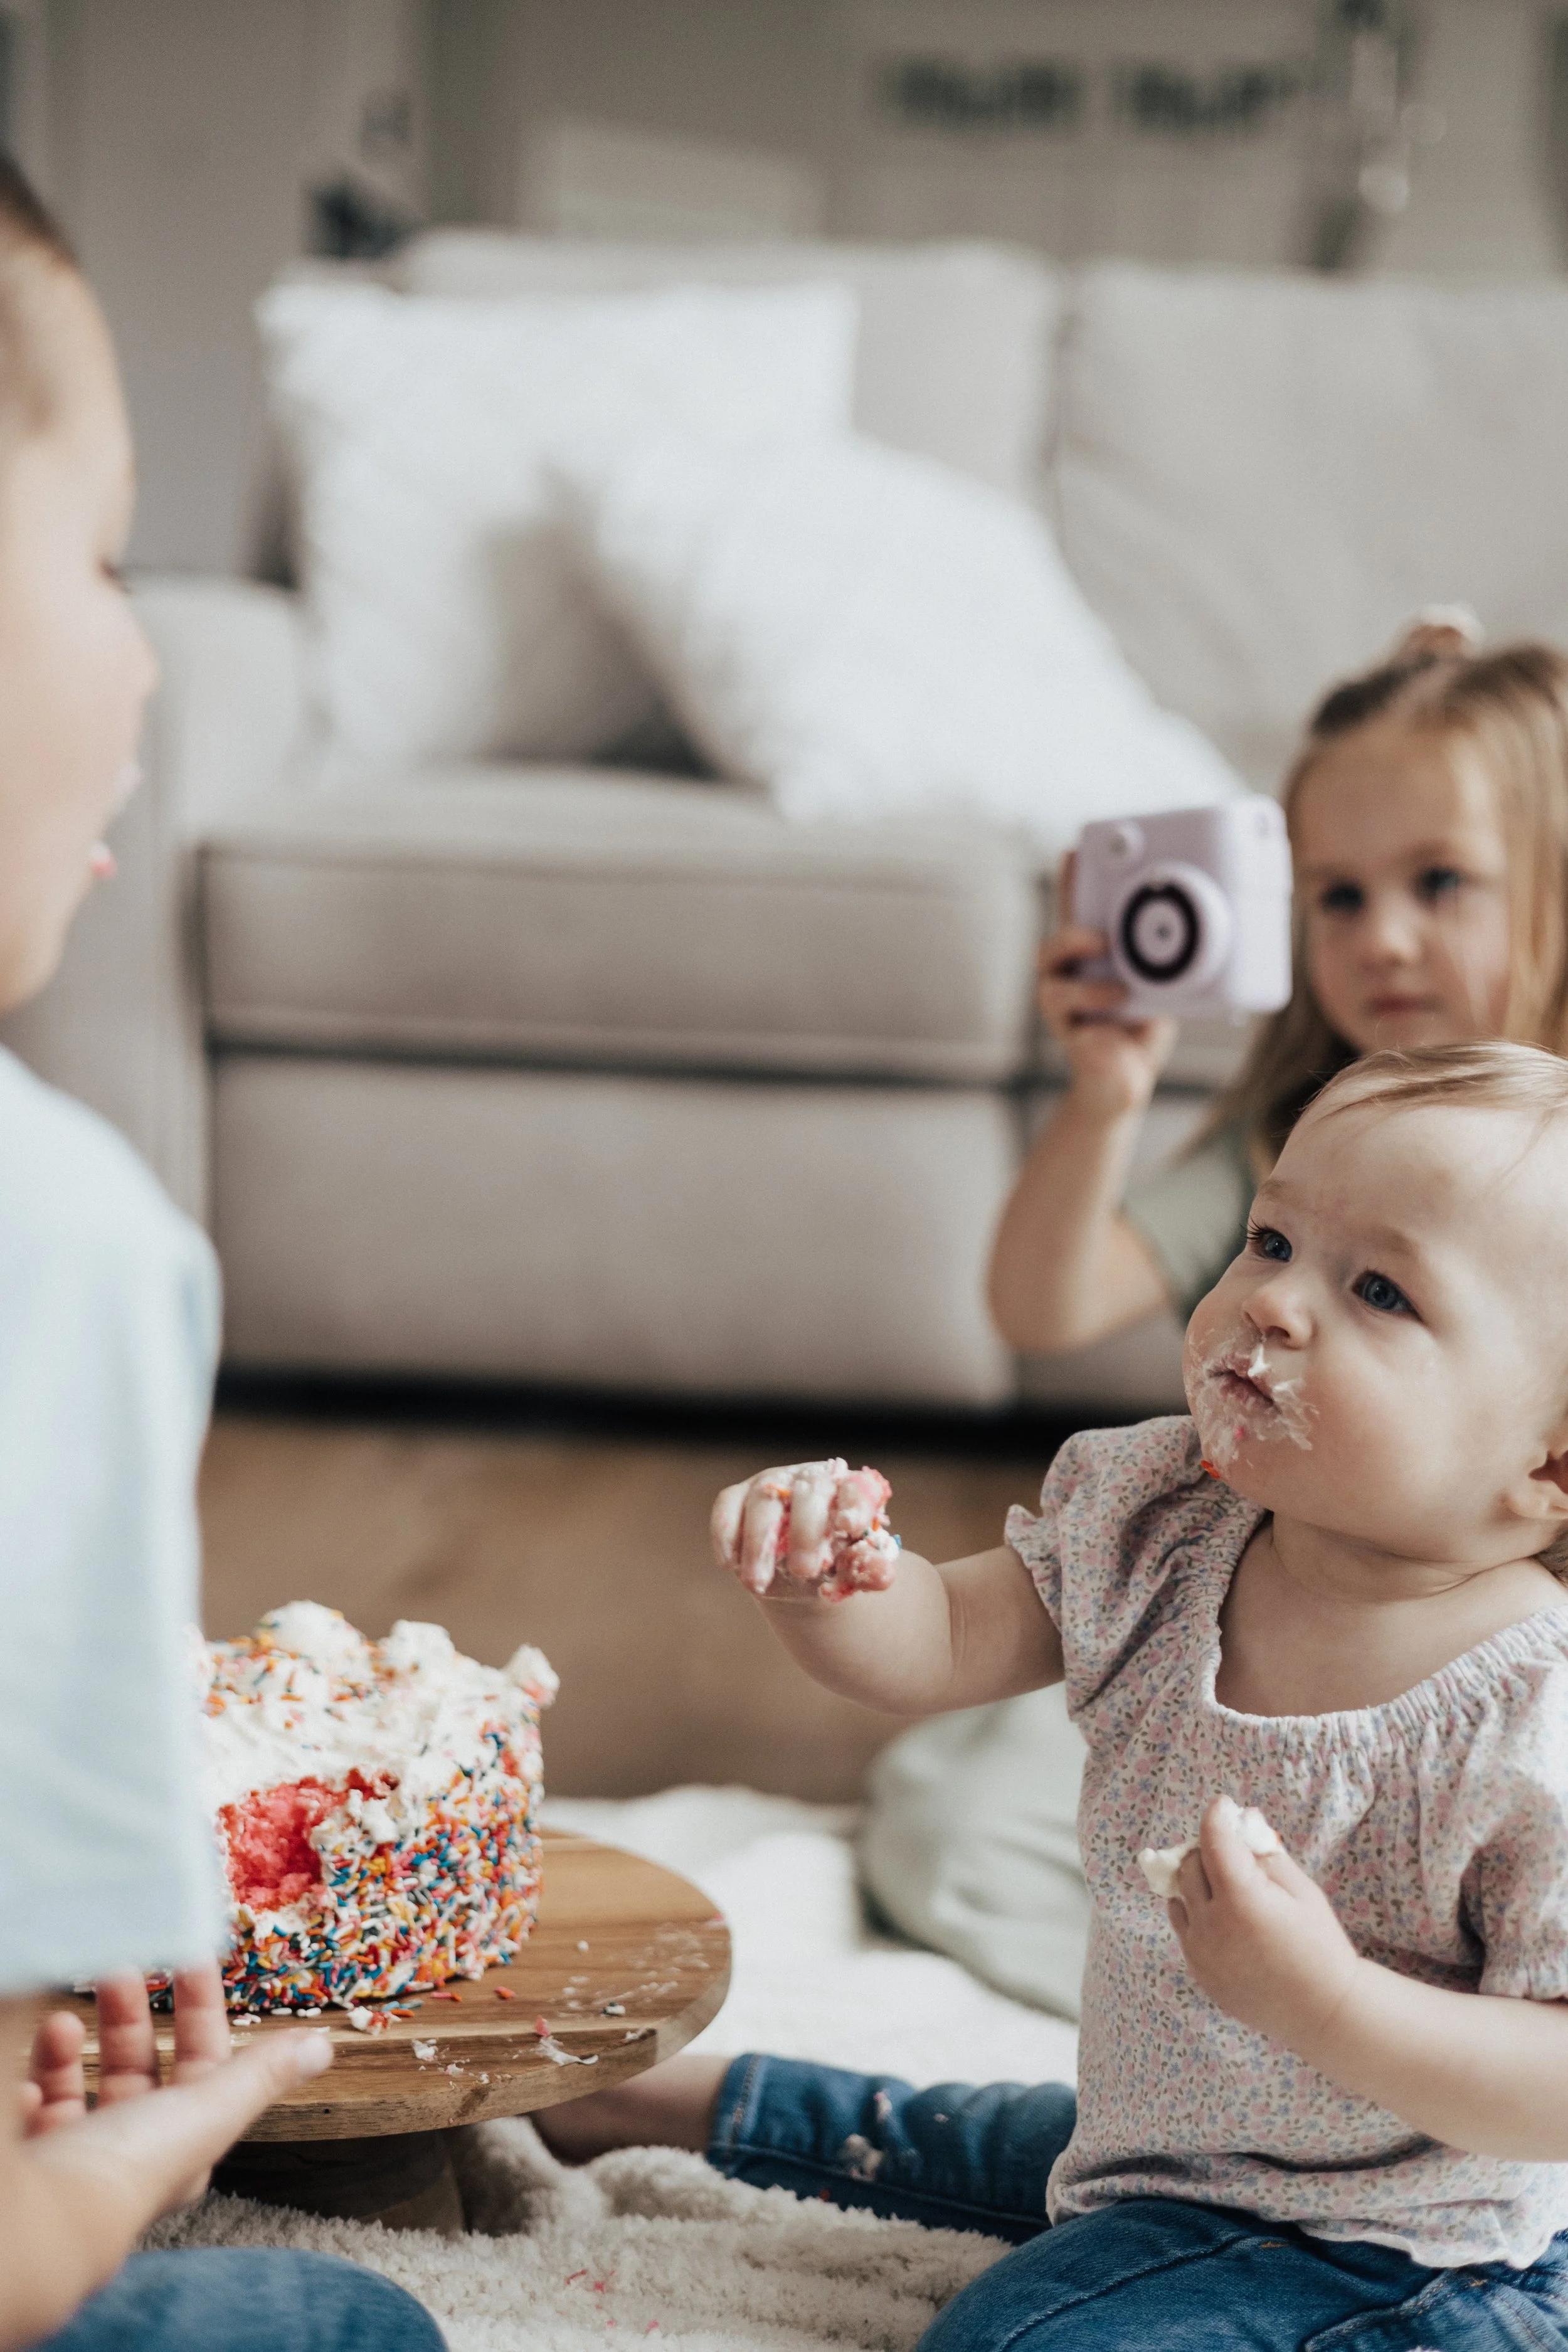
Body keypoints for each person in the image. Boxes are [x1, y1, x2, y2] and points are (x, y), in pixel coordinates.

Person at [541, 1041, 1568, 2349]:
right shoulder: (1161, 1520)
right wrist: (833, 1584)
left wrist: (1323, 2006)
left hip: (1416, 2248)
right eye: (1266, 1240)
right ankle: (633, 2103)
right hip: (1166, 2146)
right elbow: (941, 1640)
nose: (1271, 1304)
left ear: (1547, 1464)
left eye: (1376, 1289)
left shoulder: (1523, 1712)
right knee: (989, 2144)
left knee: (1012, 2338)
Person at [864, 614, 1568, 2012]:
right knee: (942, 1819)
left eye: (1439, 881)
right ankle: (1227, 2020)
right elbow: (1038, 1301)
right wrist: (1106, 1098)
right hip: (1270, 1673)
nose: (1383, 939)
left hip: (1482, 1748)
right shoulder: (1293, 1134)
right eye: (1335, 894)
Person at [0, 159, 442, 2351]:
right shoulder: (55, 1240)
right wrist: (196, 2116)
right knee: (358, 2332)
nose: (147, 636)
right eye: (95, 552)